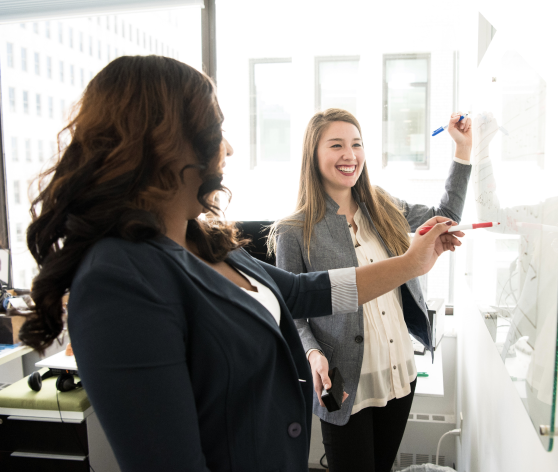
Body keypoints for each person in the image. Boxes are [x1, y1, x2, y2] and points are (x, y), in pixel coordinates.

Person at [19, 57, 461, 472]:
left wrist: (411, 263)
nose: (228, 148)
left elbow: (304, 291)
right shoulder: (118, 278)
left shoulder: (206, 242)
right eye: (216, 129)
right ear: (164, 142)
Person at [271, 108, 472, 472]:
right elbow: (291, 310)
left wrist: (463, 151)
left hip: (399, 372)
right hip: (344, 382)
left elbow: (446, 215)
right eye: (336, 145)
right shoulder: (293, 230)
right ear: (313, 155)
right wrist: (313, 352)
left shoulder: (384, 206)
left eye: (356, 144)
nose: (350, 155)